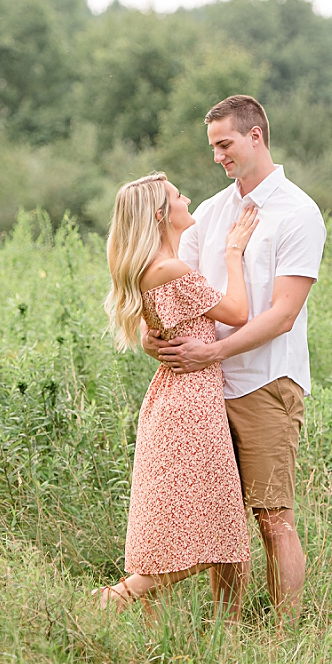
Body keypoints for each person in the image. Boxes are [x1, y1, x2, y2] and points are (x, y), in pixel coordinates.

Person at [145, 95, 326, 623]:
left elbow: (283, 314)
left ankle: (284, 639)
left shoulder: (298, 213)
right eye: (213, 147)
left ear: (255, 136)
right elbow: (174, 286)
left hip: (267, 382)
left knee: (274, 519)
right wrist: (153, 339)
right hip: (207, 388)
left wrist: (213, 351)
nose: (218, 156)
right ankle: (226, 632)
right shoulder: (212, 211)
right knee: (223, 520)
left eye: (224, 144)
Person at [95, 172, 259, 616]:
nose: (187, 198)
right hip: (191, 406)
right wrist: (232, 252)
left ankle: (227, 633)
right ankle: (104, 603)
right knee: (208, 534)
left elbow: (157, 331)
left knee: (219, 529)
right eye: (177, 195)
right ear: (159, 213)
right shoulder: (169, 270)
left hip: (179, 399)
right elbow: (240, 313)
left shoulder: (153, 268)